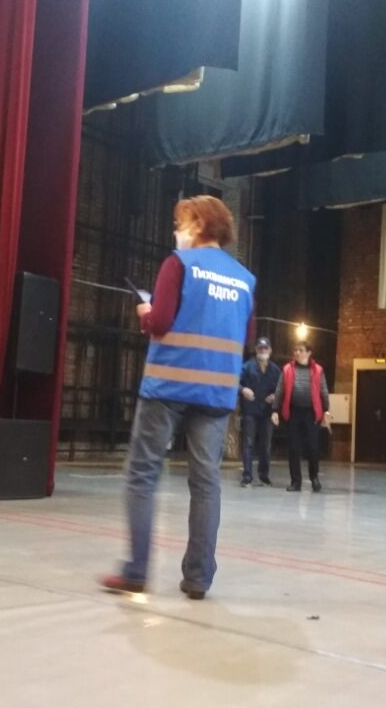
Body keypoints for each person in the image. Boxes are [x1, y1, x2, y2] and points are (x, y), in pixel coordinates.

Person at [100, 195, 255, 601]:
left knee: (142, 474)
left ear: (199, 224)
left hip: (169, 387)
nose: (177, 230)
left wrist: (145, 313)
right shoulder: (245, 279)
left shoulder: (179, 264)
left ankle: (136, 572)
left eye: (180, 222)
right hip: (216, 394)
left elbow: (161, 321)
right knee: (206, 483)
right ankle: (198, 578)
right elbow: (248, 336)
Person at [272, 341, 331, 492]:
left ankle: (314, 478)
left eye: (301, 350)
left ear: (309, 353)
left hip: (311, 413)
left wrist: (326, 410)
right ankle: (295, 481)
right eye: (296, 350)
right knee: (293, 448)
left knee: (313, 447)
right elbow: (279, 390)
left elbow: (323, 390)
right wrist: (275, 410)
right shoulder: (287, 369)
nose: (297, 353)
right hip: (293, 413)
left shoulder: (318, 370)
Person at [238, 337, 281, 487]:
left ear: (270, 350)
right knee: (248, 443)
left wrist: (275, 396)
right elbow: (235, 382)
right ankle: (247, 476)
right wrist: (243, 390)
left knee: (266, 445)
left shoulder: (275, 370)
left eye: (265, 348)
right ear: (256, 349)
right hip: (250, 411)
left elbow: (282, 389)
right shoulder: (247, 367)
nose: (263, 350)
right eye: (260, 348)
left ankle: (264, 475)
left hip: (267, 413)